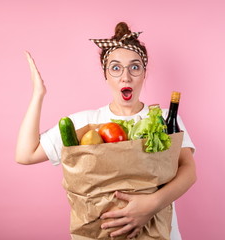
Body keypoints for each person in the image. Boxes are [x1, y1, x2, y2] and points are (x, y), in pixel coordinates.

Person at [15, 22, 196, 239]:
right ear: (105, 74)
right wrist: (38, 94)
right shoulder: (84, 122)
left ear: (144, 73)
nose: (126, 77)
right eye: (116, 68)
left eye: (135, 67)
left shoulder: (164, 118)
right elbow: (25, 154)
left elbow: (189, 171)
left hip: (160, 231)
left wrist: (150, 205)